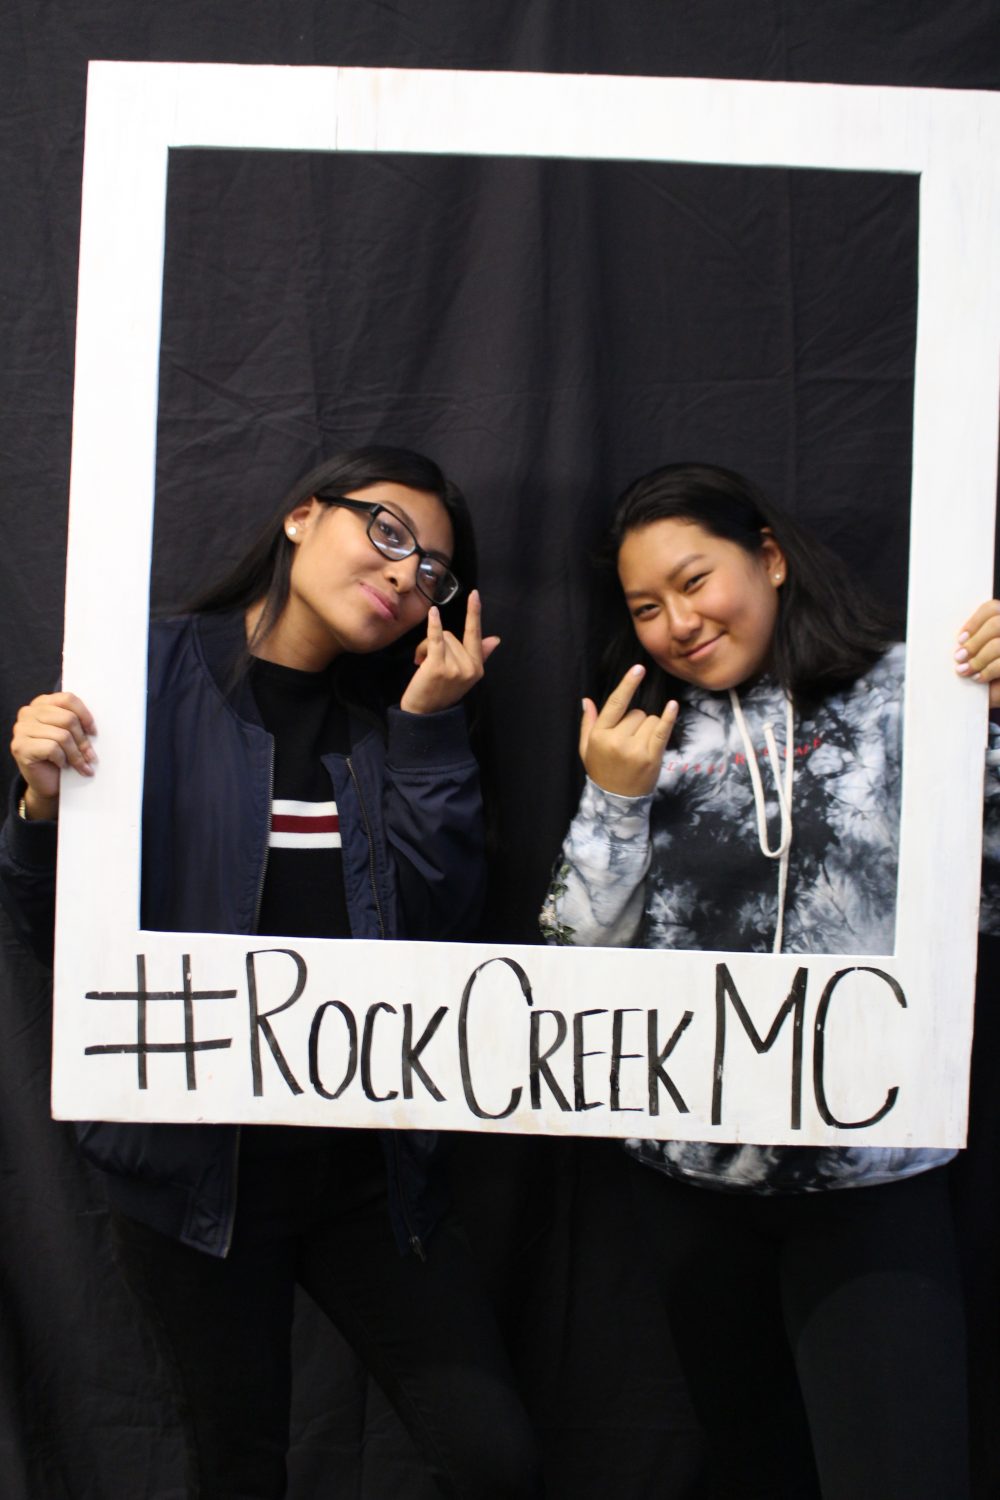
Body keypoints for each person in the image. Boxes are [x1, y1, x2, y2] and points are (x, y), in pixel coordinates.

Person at [1, 446, 540, 1500]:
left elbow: (439, 936)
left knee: (493, 1455)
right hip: (195, 1179)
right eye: (386, 532)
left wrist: (431, 730)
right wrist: (39, 809)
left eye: (432, 570)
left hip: (368, 1177)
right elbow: (52, 940)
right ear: (302, 516)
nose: (404, 574)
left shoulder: (397, 725)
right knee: (236, 1464)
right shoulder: (143, 673)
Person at [540, 461, 1000, 1500]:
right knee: (753, 1472)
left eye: (695, 581)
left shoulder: (913, 693)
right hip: (691, 1189)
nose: (677, 623)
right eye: (645, 607)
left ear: (772, 557)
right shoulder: (645, 733)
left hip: (873, 1179)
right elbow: (577, 960)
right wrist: (613, 802)